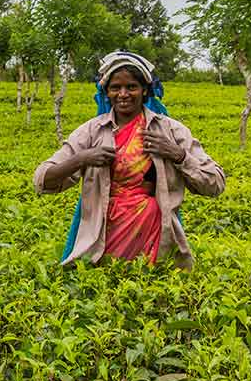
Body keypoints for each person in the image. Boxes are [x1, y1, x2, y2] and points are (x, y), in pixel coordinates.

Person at [33, 51, 225, 269]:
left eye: (131, 86)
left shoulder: (171, 130)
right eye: (116, 87)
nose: (123, 94)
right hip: (103, 233)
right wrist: (81, 159)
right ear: (106, 92)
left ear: (144, 90)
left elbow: (215, 183)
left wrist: (178, 155)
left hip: (154, 234)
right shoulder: (92, 132)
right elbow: (42, 180)